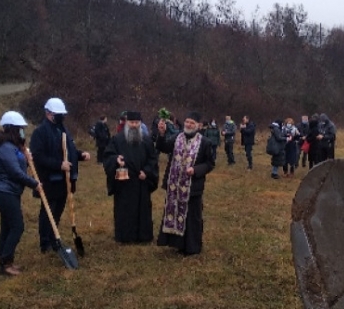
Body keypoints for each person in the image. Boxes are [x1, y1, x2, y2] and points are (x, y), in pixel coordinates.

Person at [30, 98, 91, 254]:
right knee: (48, 212)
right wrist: (58, 165)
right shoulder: (40, 133)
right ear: (49, 113)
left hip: (65, 181)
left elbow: (68, 150)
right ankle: (45, 243)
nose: (61, 117)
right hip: (50, 181)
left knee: (58, 211)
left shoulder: (63, 129)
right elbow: (38, 156)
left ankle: (54, 238)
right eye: (58, 114)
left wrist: (80, 155)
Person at [155, 111, 215, 255]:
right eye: (187, 122)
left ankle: (192, 247)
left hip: (193, 186)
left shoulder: (205, 142)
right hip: (175, 185)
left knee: (192, 216)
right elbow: (163, 148)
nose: (188, 125)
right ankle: (177, 244)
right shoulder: (177, 137)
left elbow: (210, 163)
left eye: (192, 123)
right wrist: (162, 134)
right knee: (175, 212)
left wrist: (195, 170)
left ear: (198, 126)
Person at [0, 111, 41, 276]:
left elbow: (18, 166)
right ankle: (5, 263)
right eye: (20, 128)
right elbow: (14, 172)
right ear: (12, 129)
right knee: (17, 226)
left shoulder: (13, 147)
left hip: (10, 191)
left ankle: (4, 261)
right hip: (4, 192)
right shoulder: (6, 148)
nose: (22, 131)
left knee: (7, 227)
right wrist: (34, 184)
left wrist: (26, 158)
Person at [102, 111, 159, 243]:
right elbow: (108, 156)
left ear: (140, 123)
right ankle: (125, 236)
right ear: (126, 123)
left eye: (136, 123)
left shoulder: (147, 140)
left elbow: (153, 159)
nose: (134, 125)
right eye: (131, 122)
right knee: (124, 209)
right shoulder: (117, 139)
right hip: (124, 182)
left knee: (142, 209)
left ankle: (143, 236)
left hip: (141, 181)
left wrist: (147, 171)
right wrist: (116, 159)